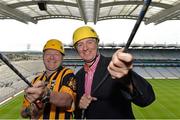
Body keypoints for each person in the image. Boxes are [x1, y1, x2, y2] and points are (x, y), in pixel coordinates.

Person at [72, 26, 155, 119]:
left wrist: (127, 80)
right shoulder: (78, 76)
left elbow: (146, 99)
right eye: (80, 44)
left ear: (97, 44)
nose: (85, 48)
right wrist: (80, 106)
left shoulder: (114, 65)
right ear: (76, 49)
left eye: (90, 42)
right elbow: (78, 114)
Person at [20, 39, 76, 119]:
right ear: (43, 57)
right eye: (48, 54)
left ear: (62, 57)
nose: (52, 57)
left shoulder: (67, 74)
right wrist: (31, 110)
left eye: (56, 54)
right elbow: (23, 113)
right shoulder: (35, 80)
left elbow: (67, 100)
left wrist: (46, 94)